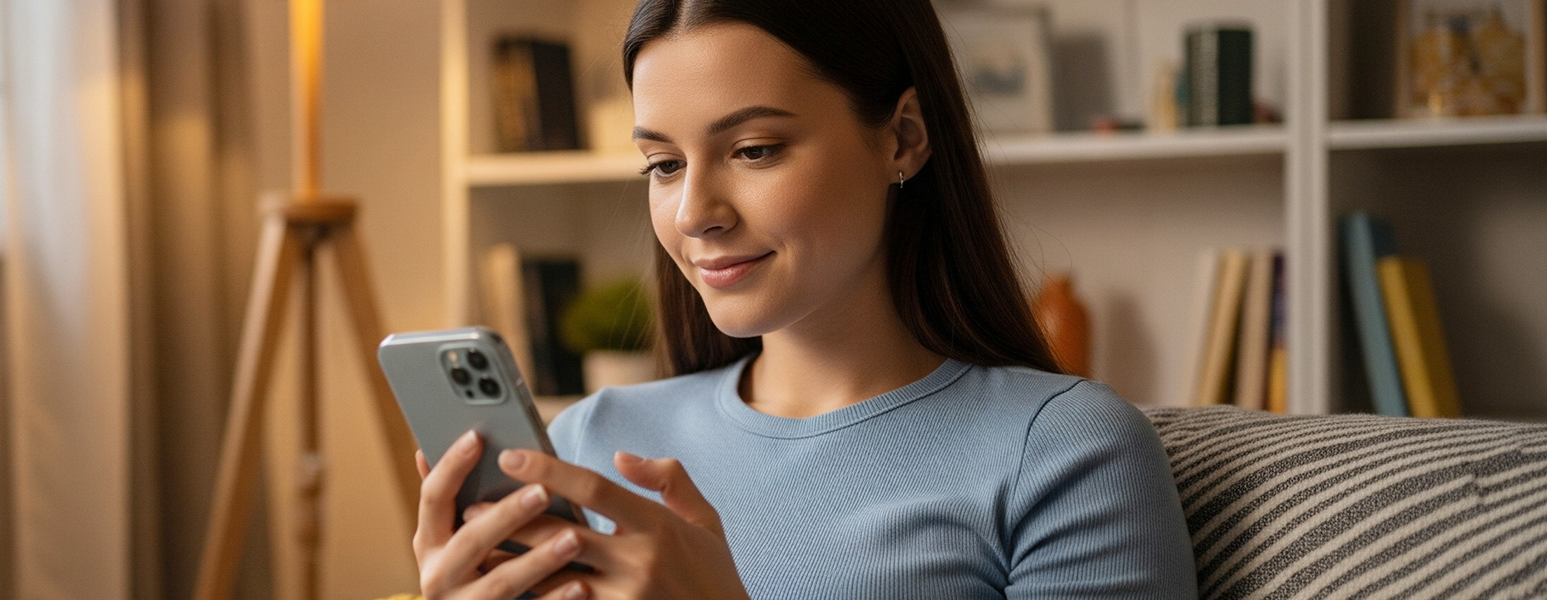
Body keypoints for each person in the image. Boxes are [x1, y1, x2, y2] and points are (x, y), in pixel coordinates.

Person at [410, 0, 1198, 597]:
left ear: (904, 138)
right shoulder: (588, 443)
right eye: (663, 164)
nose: (694, 214)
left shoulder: (1063, 453)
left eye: (754, 150)